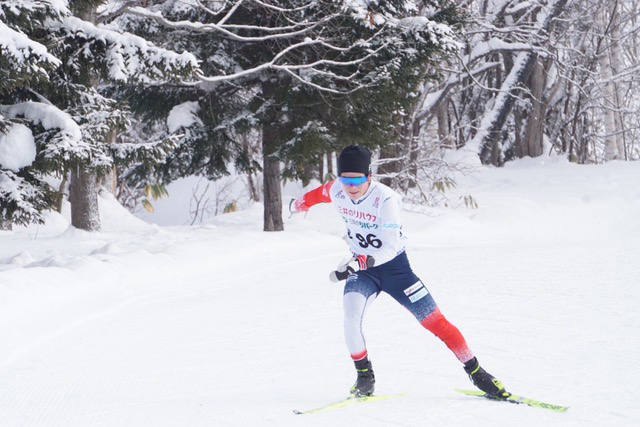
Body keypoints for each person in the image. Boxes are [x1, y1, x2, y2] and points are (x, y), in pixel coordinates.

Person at [289, 144, 507, 398]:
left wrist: (360, 261)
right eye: (345, 179)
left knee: (435, 322)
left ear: (369, 176)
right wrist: (296, 206)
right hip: (363, 272)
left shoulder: (385, 198)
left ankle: (477, 372)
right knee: (351, 317)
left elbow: (391, 247)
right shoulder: (336, 189)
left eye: (358, 179)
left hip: (395, 270)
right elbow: (314, 196)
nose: (351, 186)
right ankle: (364, 378)